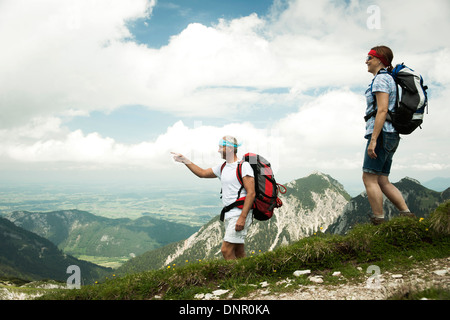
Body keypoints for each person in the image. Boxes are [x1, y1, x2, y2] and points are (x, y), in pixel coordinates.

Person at [171, 136, 255, 260]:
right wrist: (185, 160)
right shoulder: (223, 167)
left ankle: (235, 277)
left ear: (230, 148)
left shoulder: (244, 166)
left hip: (240, 213)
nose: (219, 150)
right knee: (238, 250)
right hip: (230, 214)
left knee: (226, 250)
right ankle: (248, 275)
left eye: (221, 147)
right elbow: (202, 173)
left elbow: (251, 193)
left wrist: (242, 218)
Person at [363, 45, 415, 225]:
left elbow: (382, 110)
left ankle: (378, 220)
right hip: (392, 134)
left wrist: (374, 139)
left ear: (379, 60)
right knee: (383, 179)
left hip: (382, 133)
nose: (366, 61)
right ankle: (407, 215)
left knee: (369, 177)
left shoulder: (380, 80)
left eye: (370, 58)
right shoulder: (390, 79)